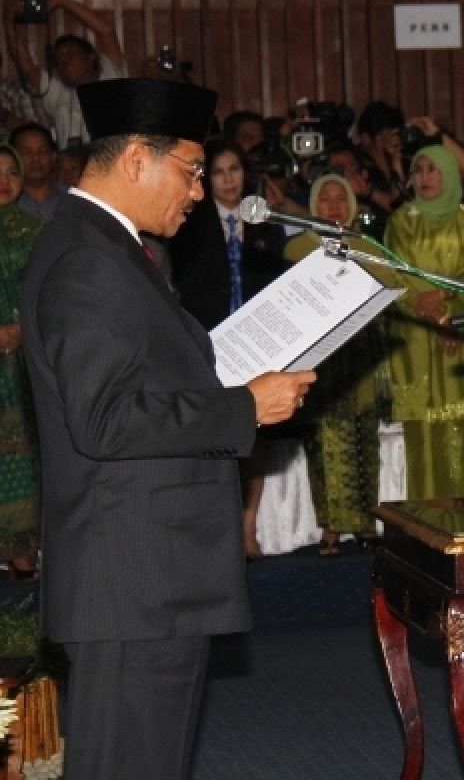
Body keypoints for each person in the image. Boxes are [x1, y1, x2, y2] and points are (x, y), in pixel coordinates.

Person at [20, 77, 313, 779]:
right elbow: (104, 419)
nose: (194, 191)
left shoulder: (112, 249)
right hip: (133, 579)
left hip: (150, 575)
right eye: (188, 171)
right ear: (134, 162)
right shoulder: (89, 259)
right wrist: (245, 408)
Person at [284, 172, 394, 553]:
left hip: (361, 355)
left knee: (364, 439)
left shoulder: (368, 247)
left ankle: (365, 522)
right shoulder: (296, 249)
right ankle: (330, 527)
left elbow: (390, 287)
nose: (334, 206)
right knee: (326, 443)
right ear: (313, 206)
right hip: (320, 356)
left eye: (340, 199)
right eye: (325, 199)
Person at [382, 144, 464, 501]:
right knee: (423, 434)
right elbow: (395, 273)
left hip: (463, 329)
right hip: (416, 335)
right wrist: (425, 304)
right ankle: (429, 527)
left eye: (434, 169)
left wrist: (448, 304)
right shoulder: (401, 220)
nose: (425, 178)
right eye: (419, 170)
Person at [170, 139, 288, 331]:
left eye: (234, 169)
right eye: (218, 172)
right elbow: (188, 286)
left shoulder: (265, 222)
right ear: (206, 178)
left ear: (245, 172)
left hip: (261, 329)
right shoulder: (189, 225)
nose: (228, 180)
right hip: (207, 331)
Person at [5, 0, 127, 148]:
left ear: (91, 57)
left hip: (106, 166)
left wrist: (62, 1)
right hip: (69, 169)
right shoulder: (57, 93)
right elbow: (23, 64)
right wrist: (8, 17)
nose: (64, 60)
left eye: (70, 53)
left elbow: (106, 31)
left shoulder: (111, 77)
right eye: (59, 58)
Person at [0, 144, 42, 580]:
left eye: (13, 171)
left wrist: (25, 330)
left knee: (30, 459)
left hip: (28, 365)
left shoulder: (37, 232)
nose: (5, 180)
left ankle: (25, 554)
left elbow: (53, 296)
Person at [9, 123, 66, 222]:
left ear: (53, 157)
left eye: (42, 151)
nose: (36, 158)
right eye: (26, 152)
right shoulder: (5, 201)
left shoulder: (73, 199)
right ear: (12, 158)